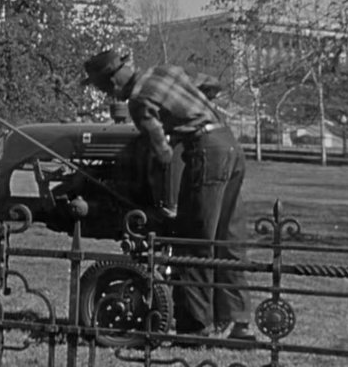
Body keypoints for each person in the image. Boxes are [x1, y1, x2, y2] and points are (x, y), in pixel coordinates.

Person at [81, 49, 254, 341]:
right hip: (229, 145)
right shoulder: (167, 71)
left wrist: (156, 196)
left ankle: (195, 328)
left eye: (103, 88)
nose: (109, 95)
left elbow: (162, 153)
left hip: (206, 153)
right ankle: (239, 324)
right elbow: (210, 83)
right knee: (228, 239)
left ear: (112, 81)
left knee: (192, 242)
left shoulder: (138, 101)